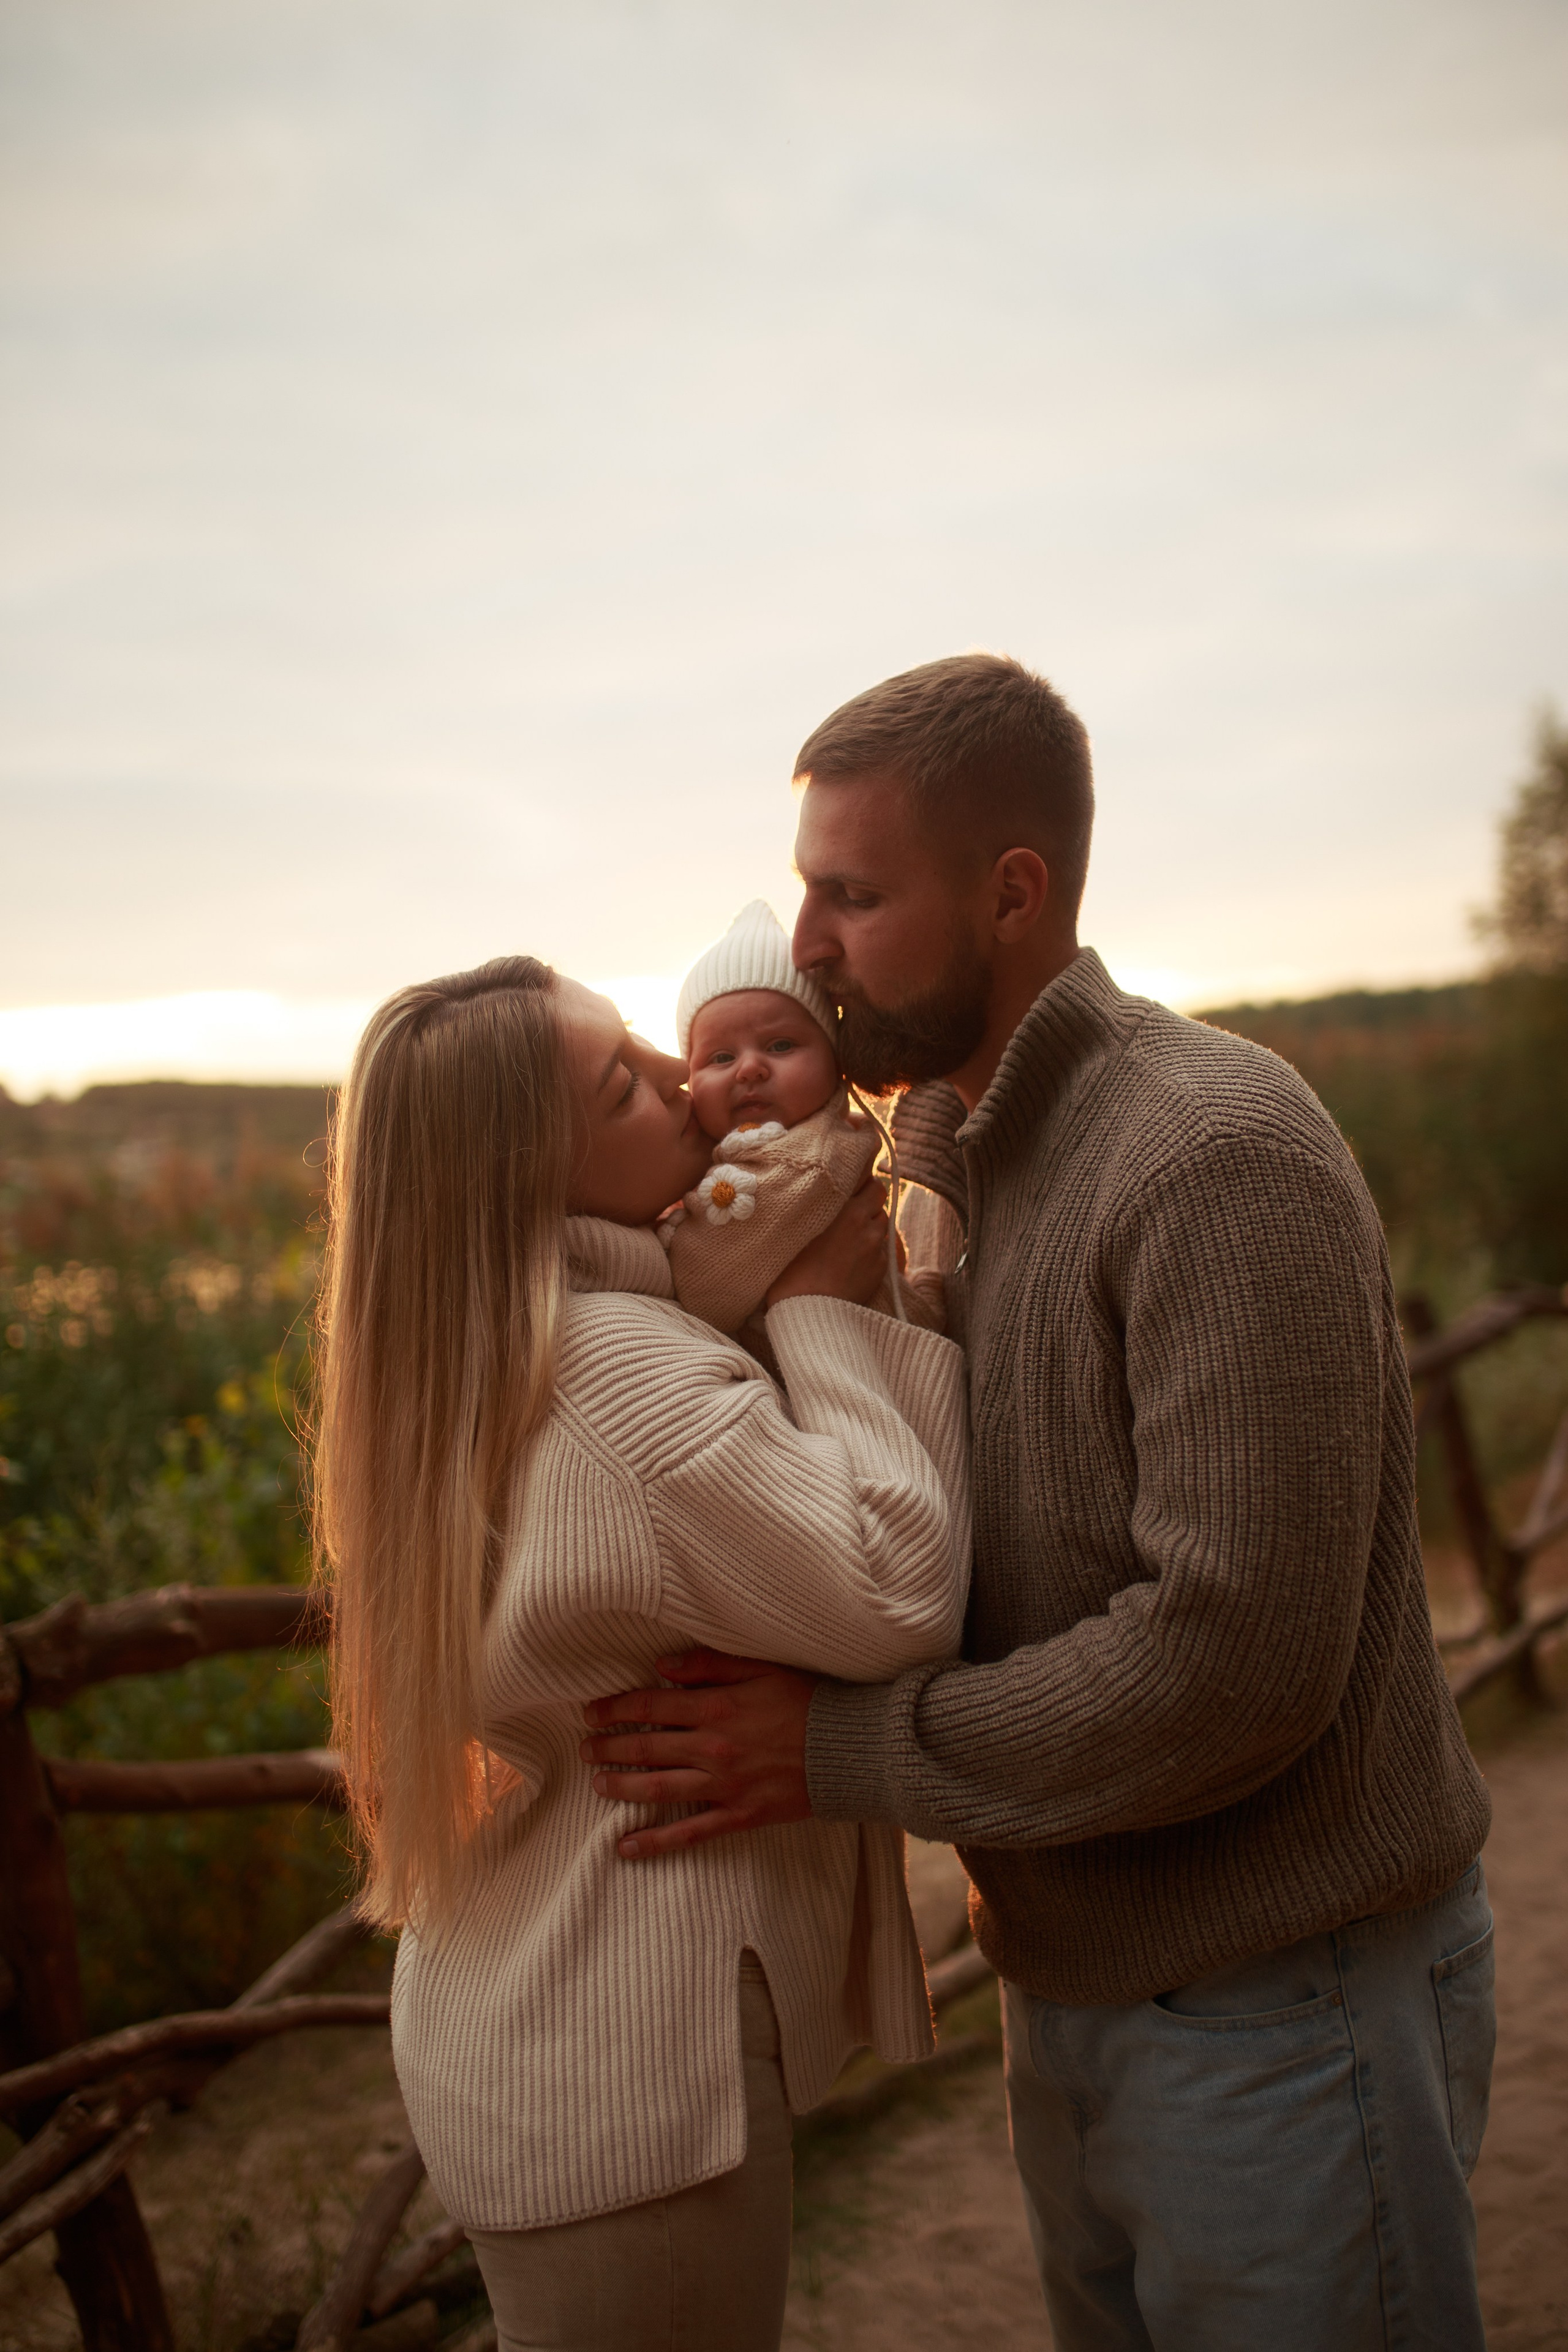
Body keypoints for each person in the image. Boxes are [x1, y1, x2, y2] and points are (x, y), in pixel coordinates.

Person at [579, 653, 1497, 2351]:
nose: (813, 943)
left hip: (1281, 2000)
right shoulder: (939, 1176)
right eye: (807, 893)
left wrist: (830, 1753)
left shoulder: (1209, 1148)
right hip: (1071, 1987)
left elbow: (1230, 1662)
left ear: (1014, 893)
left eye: (852, 895)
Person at [310, 956, 970, 2352]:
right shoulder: (613, 1374)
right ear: (525, 1175)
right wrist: (828, 1302)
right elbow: (898, 1580)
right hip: (615, 2075)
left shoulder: (488, 1357)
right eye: (623, 1082)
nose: (686, 1077)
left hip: (529, 2023)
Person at [662, 895, 945, 1336]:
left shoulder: (809, 1162)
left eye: (780, 1046)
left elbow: (702, 1287)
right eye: (720, 1057)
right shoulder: (734, 1155)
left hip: (878, 1369)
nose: (750, 1068)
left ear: (835, 1062)